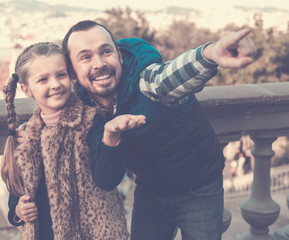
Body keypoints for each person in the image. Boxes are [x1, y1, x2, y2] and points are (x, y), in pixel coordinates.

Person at [61, 20, 256, 240]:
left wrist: (210, 53)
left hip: (200, 188)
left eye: (106, 52)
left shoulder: (145, 80)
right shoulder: (84, 111)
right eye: (85, 57)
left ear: (119, 55)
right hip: (150, 190)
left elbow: (169, 78)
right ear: (72, 71)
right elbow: (106, 178)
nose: (99, 63)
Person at [0, 42, 145, 240]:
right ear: (27, 90)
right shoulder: (26, 136)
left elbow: (108, 179)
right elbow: (16, 191)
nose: (55, 84)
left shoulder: (91, 122)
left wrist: (110, 137)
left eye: (61, 75)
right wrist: (17, 211)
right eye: (43, 79)